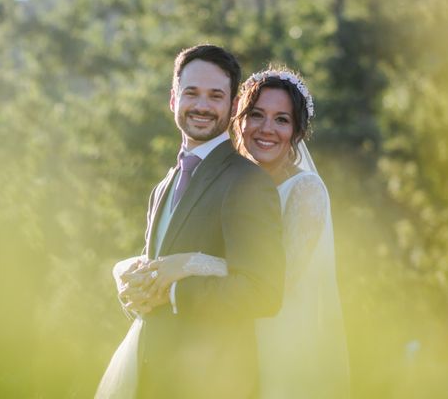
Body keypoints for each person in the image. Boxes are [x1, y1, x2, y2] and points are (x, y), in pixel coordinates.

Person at [131, 67, 350, 398]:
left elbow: (279, 277)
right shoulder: (222, 184)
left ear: (297, 132)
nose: (266, 129)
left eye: (282, 120)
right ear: (238, 117)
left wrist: (187, 264)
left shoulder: (305, 190)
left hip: (275, 348)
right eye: (257, 115)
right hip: (216, 349)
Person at [96, 45, 286, 399]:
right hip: (149, 380)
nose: (201, 106)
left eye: (215, 96)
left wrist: (173, 292)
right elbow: (158, 272)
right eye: (192, 93)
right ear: (173, 99)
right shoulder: (163, 186)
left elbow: (263, 292)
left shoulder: (248, 181)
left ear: (232, 108)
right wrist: (136, 291)